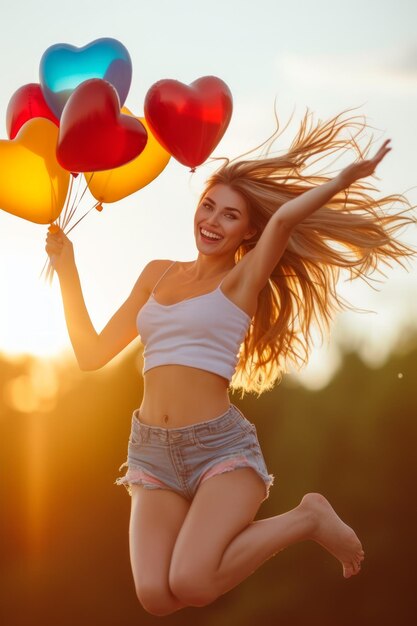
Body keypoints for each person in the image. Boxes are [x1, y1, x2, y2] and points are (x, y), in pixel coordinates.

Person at [45, 108, 415, 616]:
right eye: (208, 206)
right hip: (151, 453)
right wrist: (67, 268)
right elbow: (90, 355)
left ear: (248, 233)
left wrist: (344, 178)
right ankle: (297, 520)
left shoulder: (240, 283)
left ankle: (308, 517)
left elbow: (284, 219)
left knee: (193, 582)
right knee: (155, 596)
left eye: (230, 215)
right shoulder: (156, 274)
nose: (212, 221)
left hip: (219, 452)